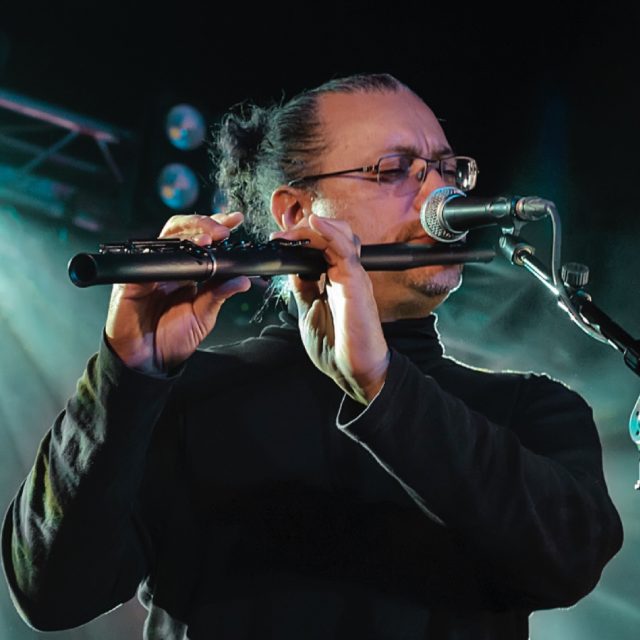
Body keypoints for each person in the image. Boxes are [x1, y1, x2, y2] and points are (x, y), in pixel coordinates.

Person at [1, 73, 623, 640]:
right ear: (296, 213)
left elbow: (568, 558)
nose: (439, 193)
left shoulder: (528, 408)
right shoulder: (193, 399)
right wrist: (124, 376)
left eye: (445, 168)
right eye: (395, 169)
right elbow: (51, 592)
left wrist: (382, 383)